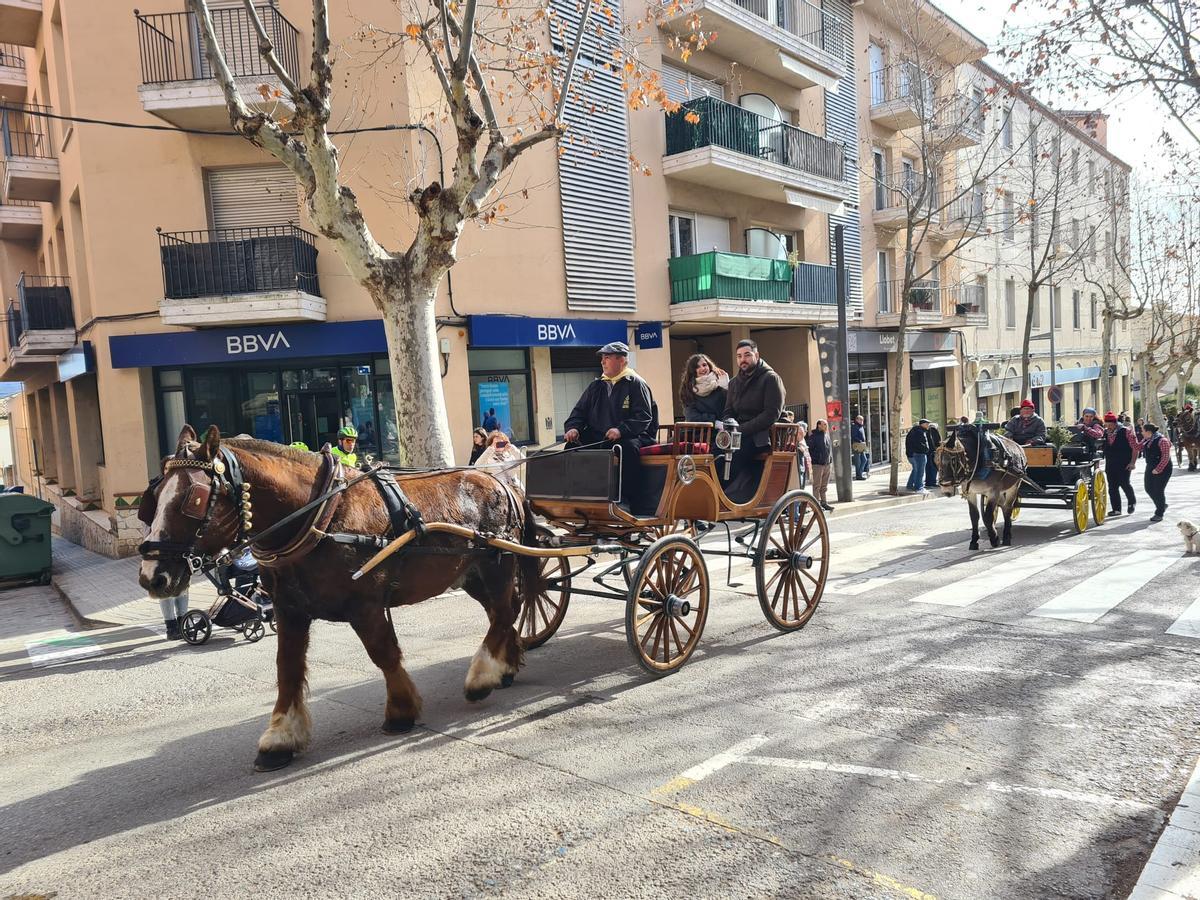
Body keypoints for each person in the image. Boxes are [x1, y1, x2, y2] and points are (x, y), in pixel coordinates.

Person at [564, 341, 655, 512]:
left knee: (625, 449)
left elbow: (644, 417)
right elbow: (579, 412)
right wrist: (573, 428)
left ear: (622, 360)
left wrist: (621, 430)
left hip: (633, 436)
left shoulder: (635, 383)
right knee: (572, 447)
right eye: (602, 359)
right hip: (601, 436)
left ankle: (625, 499)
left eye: (607, 358)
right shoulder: (596, 385)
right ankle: (580, 494)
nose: (602, 362)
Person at [723, 340, 785, 486]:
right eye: (739, 356)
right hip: (737, 435)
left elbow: (771, 414)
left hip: (761, 436)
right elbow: (728, 411)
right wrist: (730, 425)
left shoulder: (771, 378)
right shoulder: (733, 383)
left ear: (756, 355)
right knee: (714, 456)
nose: (742, 359)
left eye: (747, 355)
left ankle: (730, 498)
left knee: (734, 459)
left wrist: (741, 430)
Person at [1102, 411, 1139, 516]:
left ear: (1115, 423)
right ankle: (1116, 509)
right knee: (1112, 487)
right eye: (1106, 425)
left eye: (1110, 425)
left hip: (1124, 463)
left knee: (1124, 483)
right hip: (1110, 463)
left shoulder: (1126, 431)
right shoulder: (1105, 433)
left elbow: (1135, 448)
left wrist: (1132, 462)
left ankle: (1132, 502)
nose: (1108, 427)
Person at [679, 353, 729, 423]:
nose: (702, 368)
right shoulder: (688, 389)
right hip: (699, 432)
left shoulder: (719, 382)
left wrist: (726, 387)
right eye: (697, 367)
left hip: (722, 431)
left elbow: (730, 409)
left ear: (709, 366)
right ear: (692, 371)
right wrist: (714, 421)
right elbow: (691, 417)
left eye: (704, 365)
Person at [1140, 422, 1173, 522]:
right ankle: (1162, 505)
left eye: (1143, 430)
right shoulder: (1147, 440)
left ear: (1148, 432)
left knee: (1158, 490)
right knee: (1148, 488)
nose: (1141, 432)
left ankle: (1159, 513)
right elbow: (1138, 447)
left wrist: (1158, 469)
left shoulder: (1162, 441)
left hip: (1164, 468)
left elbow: (1166, 457)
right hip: (1150, 466)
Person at [807, 419, 833, 511]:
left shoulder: (826, 435)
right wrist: (817, 458)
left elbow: (828, 449)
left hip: (827, 464)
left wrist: (829, 461)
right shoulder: (813, 436)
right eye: (824, 424)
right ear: (819, 425)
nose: (826, 426)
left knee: (824, 486)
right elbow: (809, 450)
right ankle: (816, 504)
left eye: (826, 424)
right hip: (818, 464)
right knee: (817, 485)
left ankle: (824, 502)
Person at [906, 419, 931, 493]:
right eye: (927, 424)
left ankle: (910, 485)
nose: (928, 425)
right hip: (919, 454)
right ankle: (919, 487)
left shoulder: (914, 431)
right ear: (922, 424)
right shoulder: (919, 432)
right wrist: (926, 450)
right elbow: (920, 444)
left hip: (913, 454)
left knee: (915, 470)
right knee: (920, 471)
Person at [850, 415, 870, 480]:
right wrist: (860, 441)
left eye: (862, 420)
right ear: (857, 420)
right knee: (858, 461)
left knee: (864, 460)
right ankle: (858, 476)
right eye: (860, 420)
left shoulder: (861, 427)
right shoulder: (854, 426)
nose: (862, 421)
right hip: (857, 445)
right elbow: (853, 436)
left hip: (862, 445)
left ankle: (860, 473)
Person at [925, 420, 942, 488]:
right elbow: (937, 441)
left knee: (928, 468)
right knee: (933, 468)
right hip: (933, 452)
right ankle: (932, 482)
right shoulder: (934, 430)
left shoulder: (927, 431)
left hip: (928, 452)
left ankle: (928, 482)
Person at [796, 421, 813, 489]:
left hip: (803, 466)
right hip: (798, 467)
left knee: (802, 486)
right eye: (799, 432)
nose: (803, 433)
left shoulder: (803, 441)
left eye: (804, 431)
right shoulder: (795, 441)